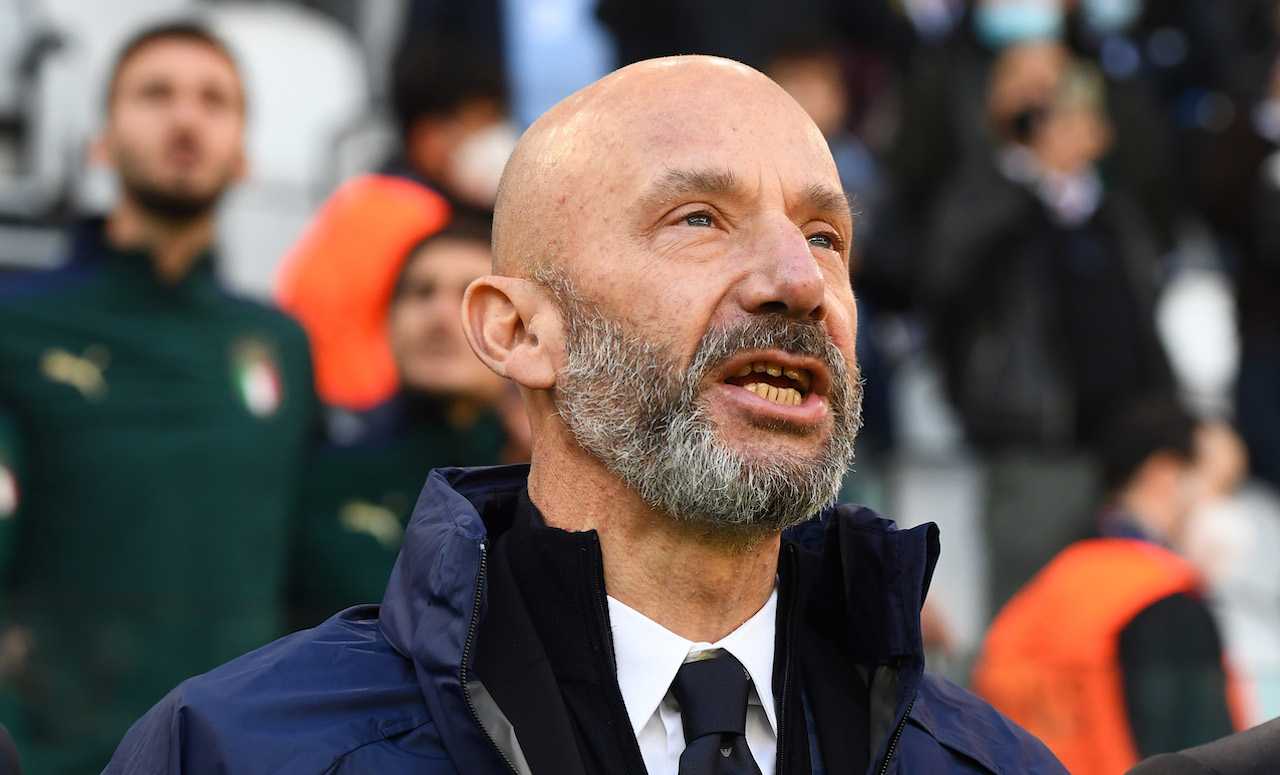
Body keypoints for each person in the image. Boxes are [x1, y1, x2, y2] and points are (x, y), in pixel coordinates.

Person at [106, 55, 1064, 774]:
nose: (798, 281)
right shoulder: (235, 751)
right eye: (699, 219)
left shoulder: (994, 765)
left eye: (825, 235)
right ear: (519, 330)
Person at [0, 23, 316, 773]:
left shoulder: (280, 343)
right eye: (155, 94)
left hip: (237, 752)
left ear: (243, 154)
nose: (185, 118)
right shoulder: (17, 324)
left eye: (214, 100)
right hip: (53, 752)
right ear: (101, 143)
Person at [923, 50, 1176, 611]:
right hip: (1031, 444)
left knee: (1109, 611)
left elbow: (1143, 319)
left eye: (1078, 115)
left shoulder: (1113, 214)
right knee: (1026, 607)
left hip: (1119, 449)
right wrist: (1024, 182)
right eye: (1051, 117)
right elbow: (946, 286)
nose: (1067, 130)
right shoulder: (989, 196)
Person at [973, 398, 1245, 774]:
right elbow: (1204, 760)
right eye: (1221, 487)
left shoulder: (1047, 587)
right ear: (1164, 477)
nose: (1227, 509)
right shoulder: (1167, 602)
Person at [289, 214, 512, 626]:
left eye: (470, 294)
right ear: (388, 319)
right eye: (420, 292)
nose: (440, 316)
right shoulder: (321, 468)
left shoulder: (550, 485)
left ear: (520, 329)